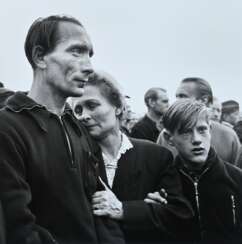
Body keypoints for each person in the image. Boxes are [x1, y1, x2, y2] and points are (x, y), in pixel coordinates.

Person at [0, 15, 124, 244]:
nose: (88, 67)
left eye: (89, 54)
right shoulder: (8, 128)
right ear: (40, 57)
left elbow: (100, 208)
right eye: (76, 51)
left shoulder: (77, 127)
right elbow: (18, 229)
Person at [71, 71, 193, 243]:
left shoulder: (156, 156)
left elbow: (179, 214)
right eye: (78, 109)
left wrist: (124, 209)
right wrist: (149, 210)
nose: (83, 115)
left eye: (92, 105)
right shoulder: (73, 160)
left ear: (118, 107)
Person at [149, 99, 242, 242]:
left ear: (210, 130)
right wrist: (154, 213)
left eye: (202, 129)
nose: (197, 139)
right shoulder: (163, 185)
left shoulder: (236, 179)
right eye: (185, 132)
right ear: (169, 138)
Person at [157, 77, 241, 165]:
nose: (177, 101)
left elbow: (236, 175)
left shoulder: (228, 136)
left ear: (204, 100)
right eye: (177, 97)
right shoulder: (166, 135)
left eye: (182, 96)